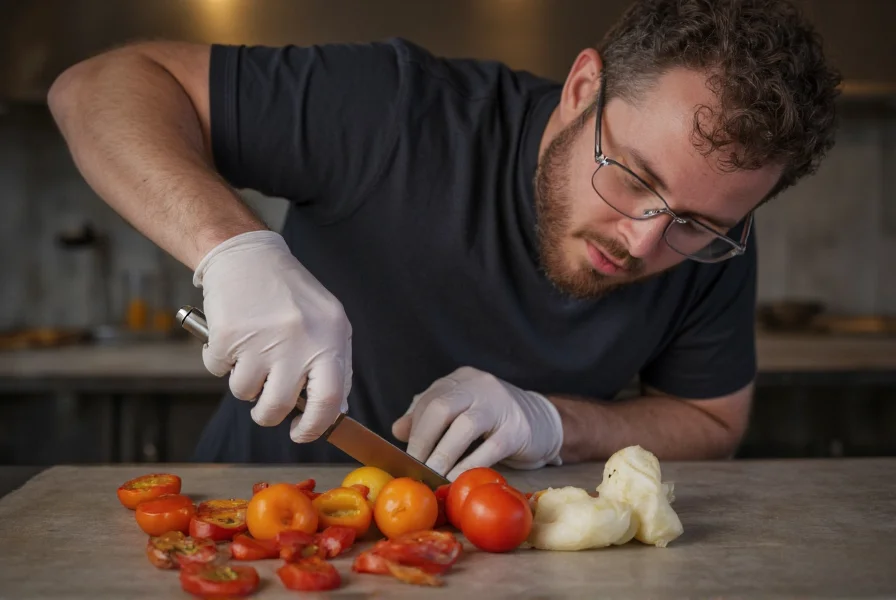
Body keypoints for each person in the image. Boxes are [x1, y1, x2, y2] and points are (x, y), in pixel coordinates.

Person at [48, 0, 840, 480]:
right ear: (582, 88)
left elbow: (711, 424)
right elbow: (97, 89)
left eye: (698, 225)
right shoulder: (395, 112)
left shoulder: (712, 237)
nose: (644, 240)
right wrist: (232, 249)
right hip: (267, 534)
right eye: (632, 176)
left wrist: (557, 425)